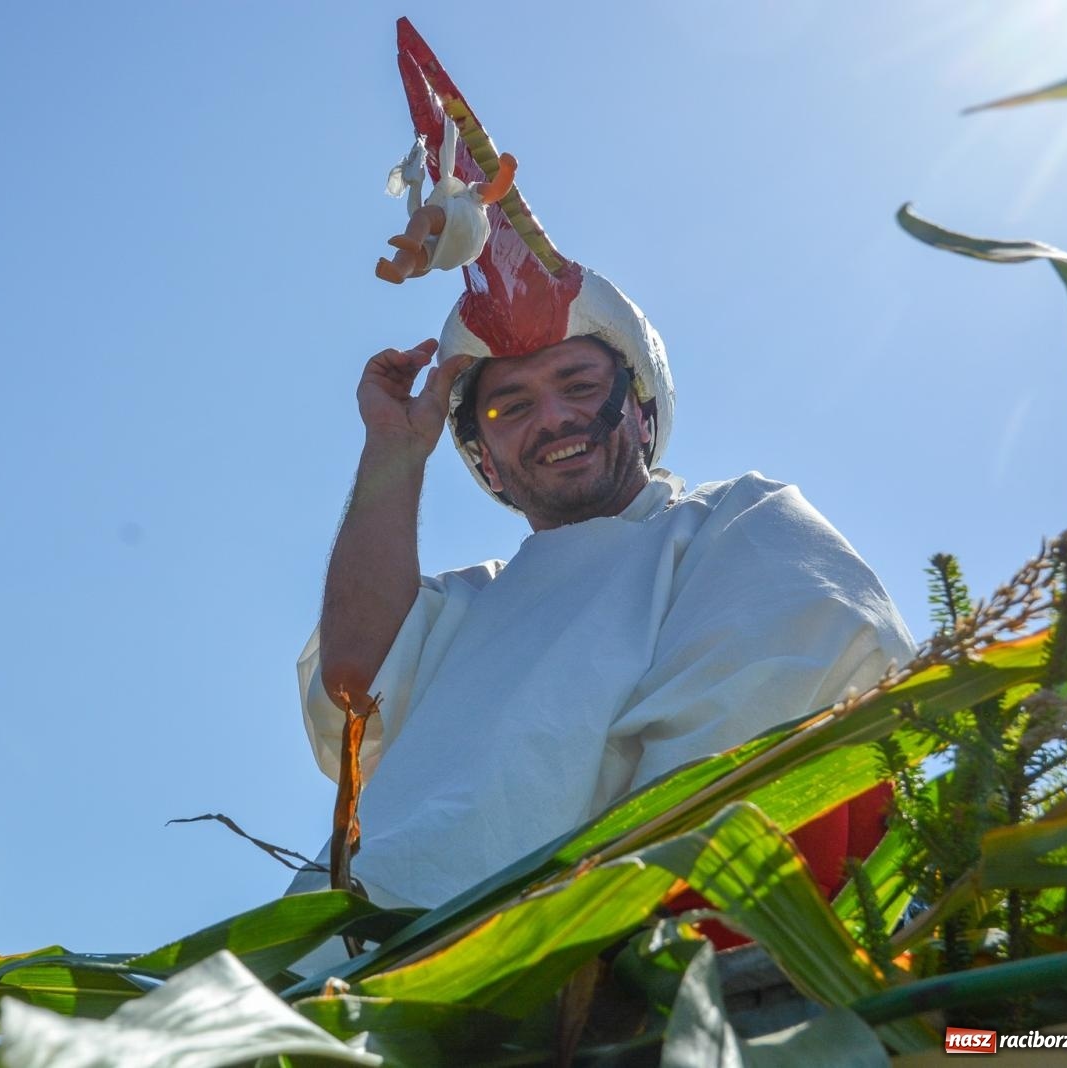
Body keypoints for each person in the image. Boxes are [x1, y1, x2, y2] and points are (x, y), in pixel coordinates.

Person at [285, 19, 915, 926]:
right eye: (509, 407)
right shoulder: (463, 608)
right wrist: (394, 452)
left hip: (596, 961)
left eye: (578, 383)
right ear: (487, 464)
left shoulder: (733, 524)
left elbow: (789, 692)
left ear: (640, 406)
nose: (554, 420)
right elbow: (352, 690)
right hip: (370, 970)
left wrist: (619, 940)